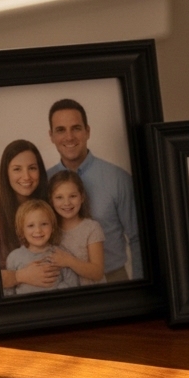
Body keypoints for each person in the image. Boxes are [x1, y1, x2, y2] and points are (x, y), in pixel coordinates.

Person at [46, 99, 142, 282]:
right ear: (51, 136)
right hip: (62, 284)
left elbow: (138, 238)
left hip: (113, 279)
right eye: (60, 130)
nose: (69, 137)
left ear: (87, 131)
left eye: (76, 128)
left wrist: (139, 287)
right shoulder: (45, 182)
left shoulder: (118, 179)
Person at [0, 139, 59, 291]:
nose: (26, 176)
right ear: (6, 173)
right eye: (17, 169)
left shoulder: (52, 203)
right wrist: (19, 276)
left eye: (32, 168)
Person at [5, 199, 78, 295]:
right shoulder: (14, 257)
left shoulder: (60, 253)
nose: (38, 230)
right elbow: (8, 292)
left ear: (52, 227)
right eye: (31, 225)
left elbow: (73, 284)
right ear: (22, 230)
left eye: (44, 224)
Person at [47, 170, 107, 286]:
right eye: (59, 197)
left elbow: (98, 272)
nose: (67, 203)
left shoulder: (92, 228)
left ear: (82, 197)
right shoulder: (49, 230)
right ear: (51, 201)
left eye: (73, 196)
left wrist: (68, 261)